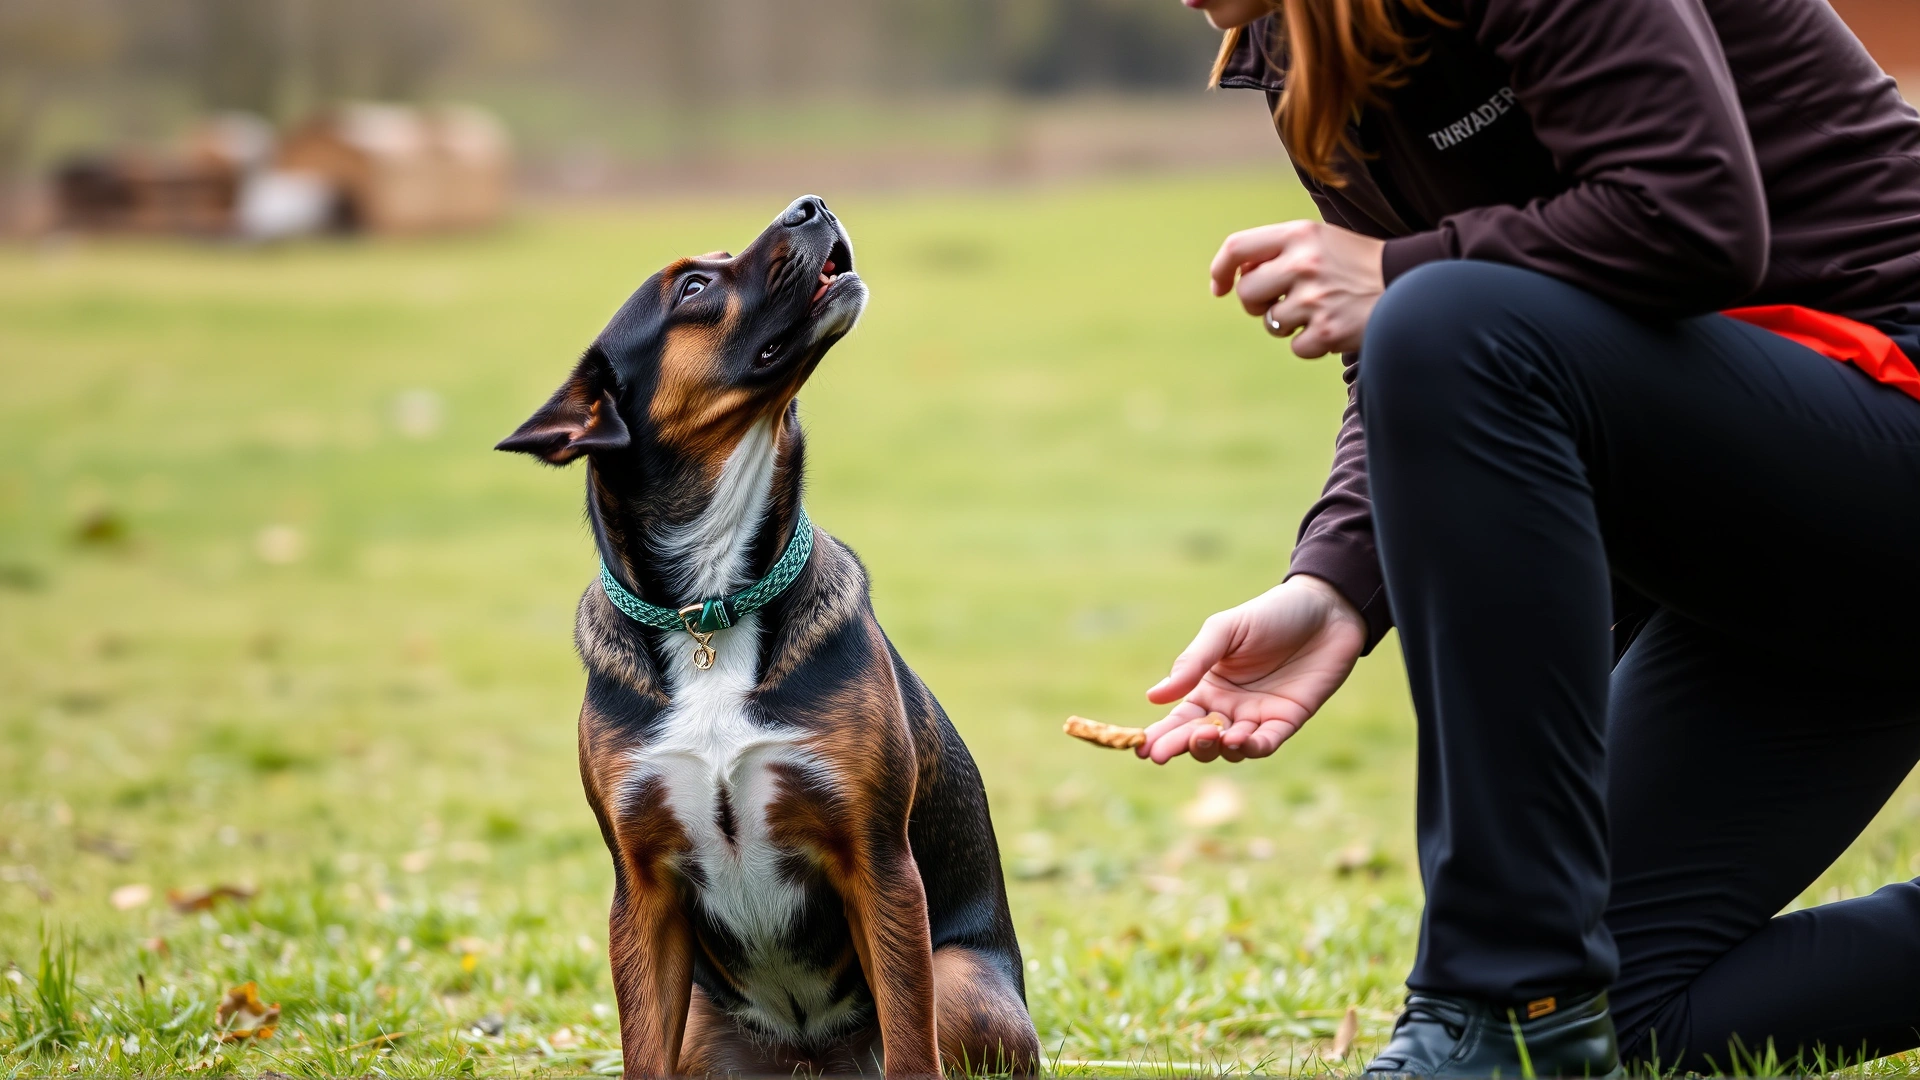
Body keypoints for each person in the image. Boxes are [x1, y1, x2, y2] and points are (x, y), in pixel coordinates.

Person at [1141, 0, 1920, 1073]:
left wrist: (1403, 278)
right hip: (1778, 545)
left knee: (1442, 315)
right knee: (1624, 1008)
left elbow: (1689, 215)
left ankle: (1504, 1000)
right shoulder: (1301, 48)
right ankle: (1541, 1008)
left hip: (1885, 423)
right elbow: (1411, 345)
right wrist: (1335, 586)